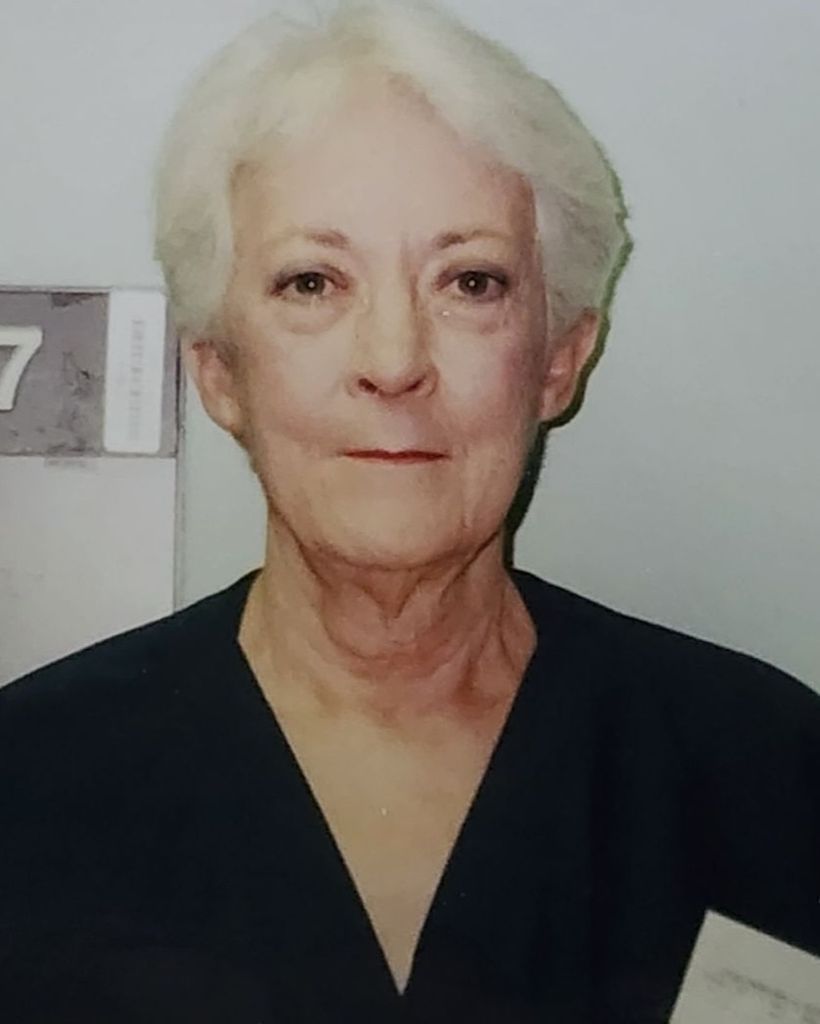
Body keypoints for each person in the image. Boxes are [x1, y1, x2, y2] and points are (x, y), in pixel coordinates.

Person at [1, 0, 818, 1020]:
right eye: (313, 282)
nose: (392, 361)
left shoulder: (769, 773)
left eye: (469, 282)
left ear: (559, 358)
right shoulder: (26, 785)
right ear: (217, 371)